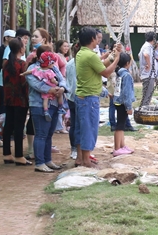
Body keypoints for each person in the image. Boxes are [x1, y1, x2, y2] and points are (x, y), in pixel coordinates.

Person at [75, 27, 120, 169]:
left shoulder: (82, 53)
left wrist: (112, 55)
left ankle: (83, 158)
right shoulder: (90, 55)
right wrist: (117, 59)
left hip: (83, 97)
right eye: (97, 37)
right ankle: (86, 161)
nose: (98, 40)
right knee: (89, 129)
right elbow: (106, 72)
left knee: (84, 129)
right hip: (89, 98)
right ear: (92, 39)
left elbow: (101, 66)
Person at [24, 45, 67, 173]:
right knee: (41, 134)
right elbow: (35, 84)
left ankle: (47, 160)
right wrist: (51, 90)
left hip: (53, 104)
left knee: (48, 135)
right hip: (39, 105)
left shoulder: (52, 66)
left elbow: (61, 79)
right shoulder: (32, 69)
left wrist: (62, 88)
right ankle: (39, 162)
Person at [1, 38, 31, 165]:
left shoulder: (6, 63)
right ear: (21, 49)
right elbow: (25, 84)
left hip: (8, 98)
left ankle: (7, 154)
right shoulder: (22, 64)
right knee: (19, 127)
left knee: (8, 126)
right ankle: (19, 155)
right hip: (21, 99)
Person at [22, 52, 66, 121]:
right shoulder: (50, 71)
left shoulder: (37, 69)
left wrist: (23, 74)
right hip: (47, 92)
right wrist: (56, 84)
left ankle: (46, 111)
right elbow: (54, 80)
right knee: (60, 95)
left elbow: (30, 72)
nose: (54, 64)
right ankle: (60, 107)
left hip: (47, 95)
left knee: (45, 100)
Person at [112, 53, 135, 157]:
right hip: (122, 102)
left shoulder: (119, 73)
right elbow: (126, 93)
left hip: (117, 101)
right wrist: (129, 107)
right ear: (127, 63)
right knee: (120, 126)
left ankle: (122, 146)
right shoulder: (127, 75)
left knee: (121, 124)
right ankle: (117, 148)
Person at [139, 31, 157, 107]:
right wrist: (148, 65)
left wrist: (144, 63)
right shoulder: (148, 46)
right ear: (153, 39)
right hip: (148, 75)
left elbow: (139, 55)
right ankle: (144, 110)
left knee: (147, 95)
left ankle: (144, 108)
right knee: (147, 96)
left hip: (148, 74)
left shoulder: (145, 45)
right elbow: (146, 55)